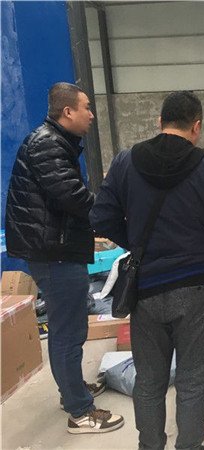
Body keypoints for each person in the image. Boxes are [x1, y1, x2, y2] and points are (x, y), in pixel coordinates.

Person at [89, 91, 204, 450]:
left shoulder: (125, 161)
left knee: (149, 381)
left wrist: (136, 243)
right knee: (193, 380)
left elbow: (100, 216)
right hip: (195, 288)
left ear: (160, 122)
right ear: (197, 127)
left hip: (145, 288)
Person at [5, 82, 124, 433]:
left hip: (54, 247)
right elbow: (71, 196)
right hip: (54, 252)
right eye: (86, 107)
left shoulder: (55, 142)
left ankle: (72, 391)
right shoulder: (47, 144)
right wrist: (113, 212)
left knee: (68, 326)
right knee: (67, 331)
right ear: (68, 111)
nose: (91, 115)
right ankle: (79, 411)